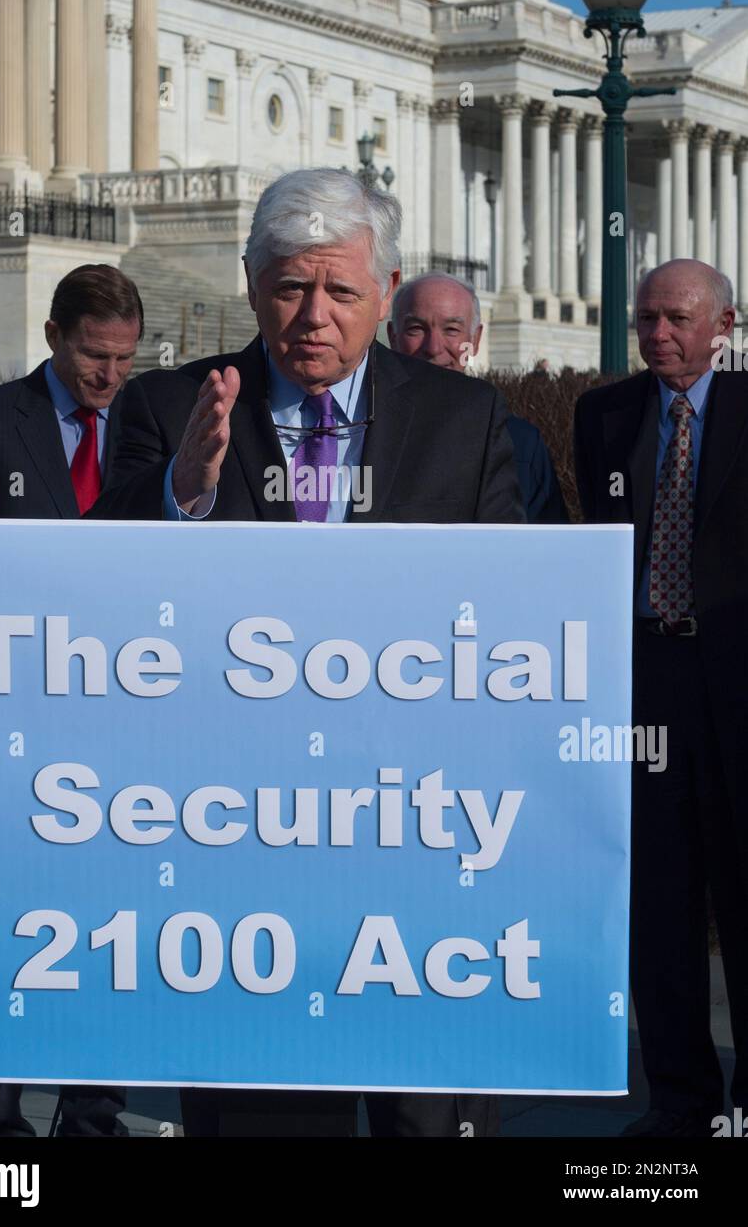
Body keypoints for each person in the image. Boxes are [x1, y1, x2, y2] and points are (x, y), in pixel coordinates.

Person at [92, 167, 523, 1137]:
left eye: (339, 290)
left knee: (427, 1119)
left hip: (416, 848)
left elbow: (512, 622)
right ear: (251, 287)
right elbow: (97, 598)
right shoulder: (169, 411)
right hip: (238, 851)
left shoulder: (466, 421)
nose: (313, 316)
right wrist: (182, 494)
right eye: (290, 288)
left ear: (385, 288)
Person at [0, 262, 143, 1138]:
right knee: (11, 915)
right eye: (95, 355)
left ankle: (94, 1109)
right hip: (12, 717)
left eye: (125, 358)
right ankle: (1, 1109)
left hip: (125, 713)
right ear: (53, 337)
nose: (109, 375)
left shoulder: (142, 427)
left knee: (114, 923)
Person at [574, 258, 748, 1138]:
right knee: (660, 897)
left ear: (724, 324)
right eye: (646, 318)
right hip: (645, 681)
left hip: (741, 686)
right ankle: (679, 1101)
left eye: (676, 318)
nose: (657, 334)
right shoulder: (604, 414)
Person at [388, 273, 568, 523]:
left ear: (475, 340)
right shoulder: (359, 432)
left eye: (451, 329)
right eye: (416, 328)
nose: (434, 347)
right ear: (392, 336)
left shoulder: (521, 444)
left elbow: (545, 548)